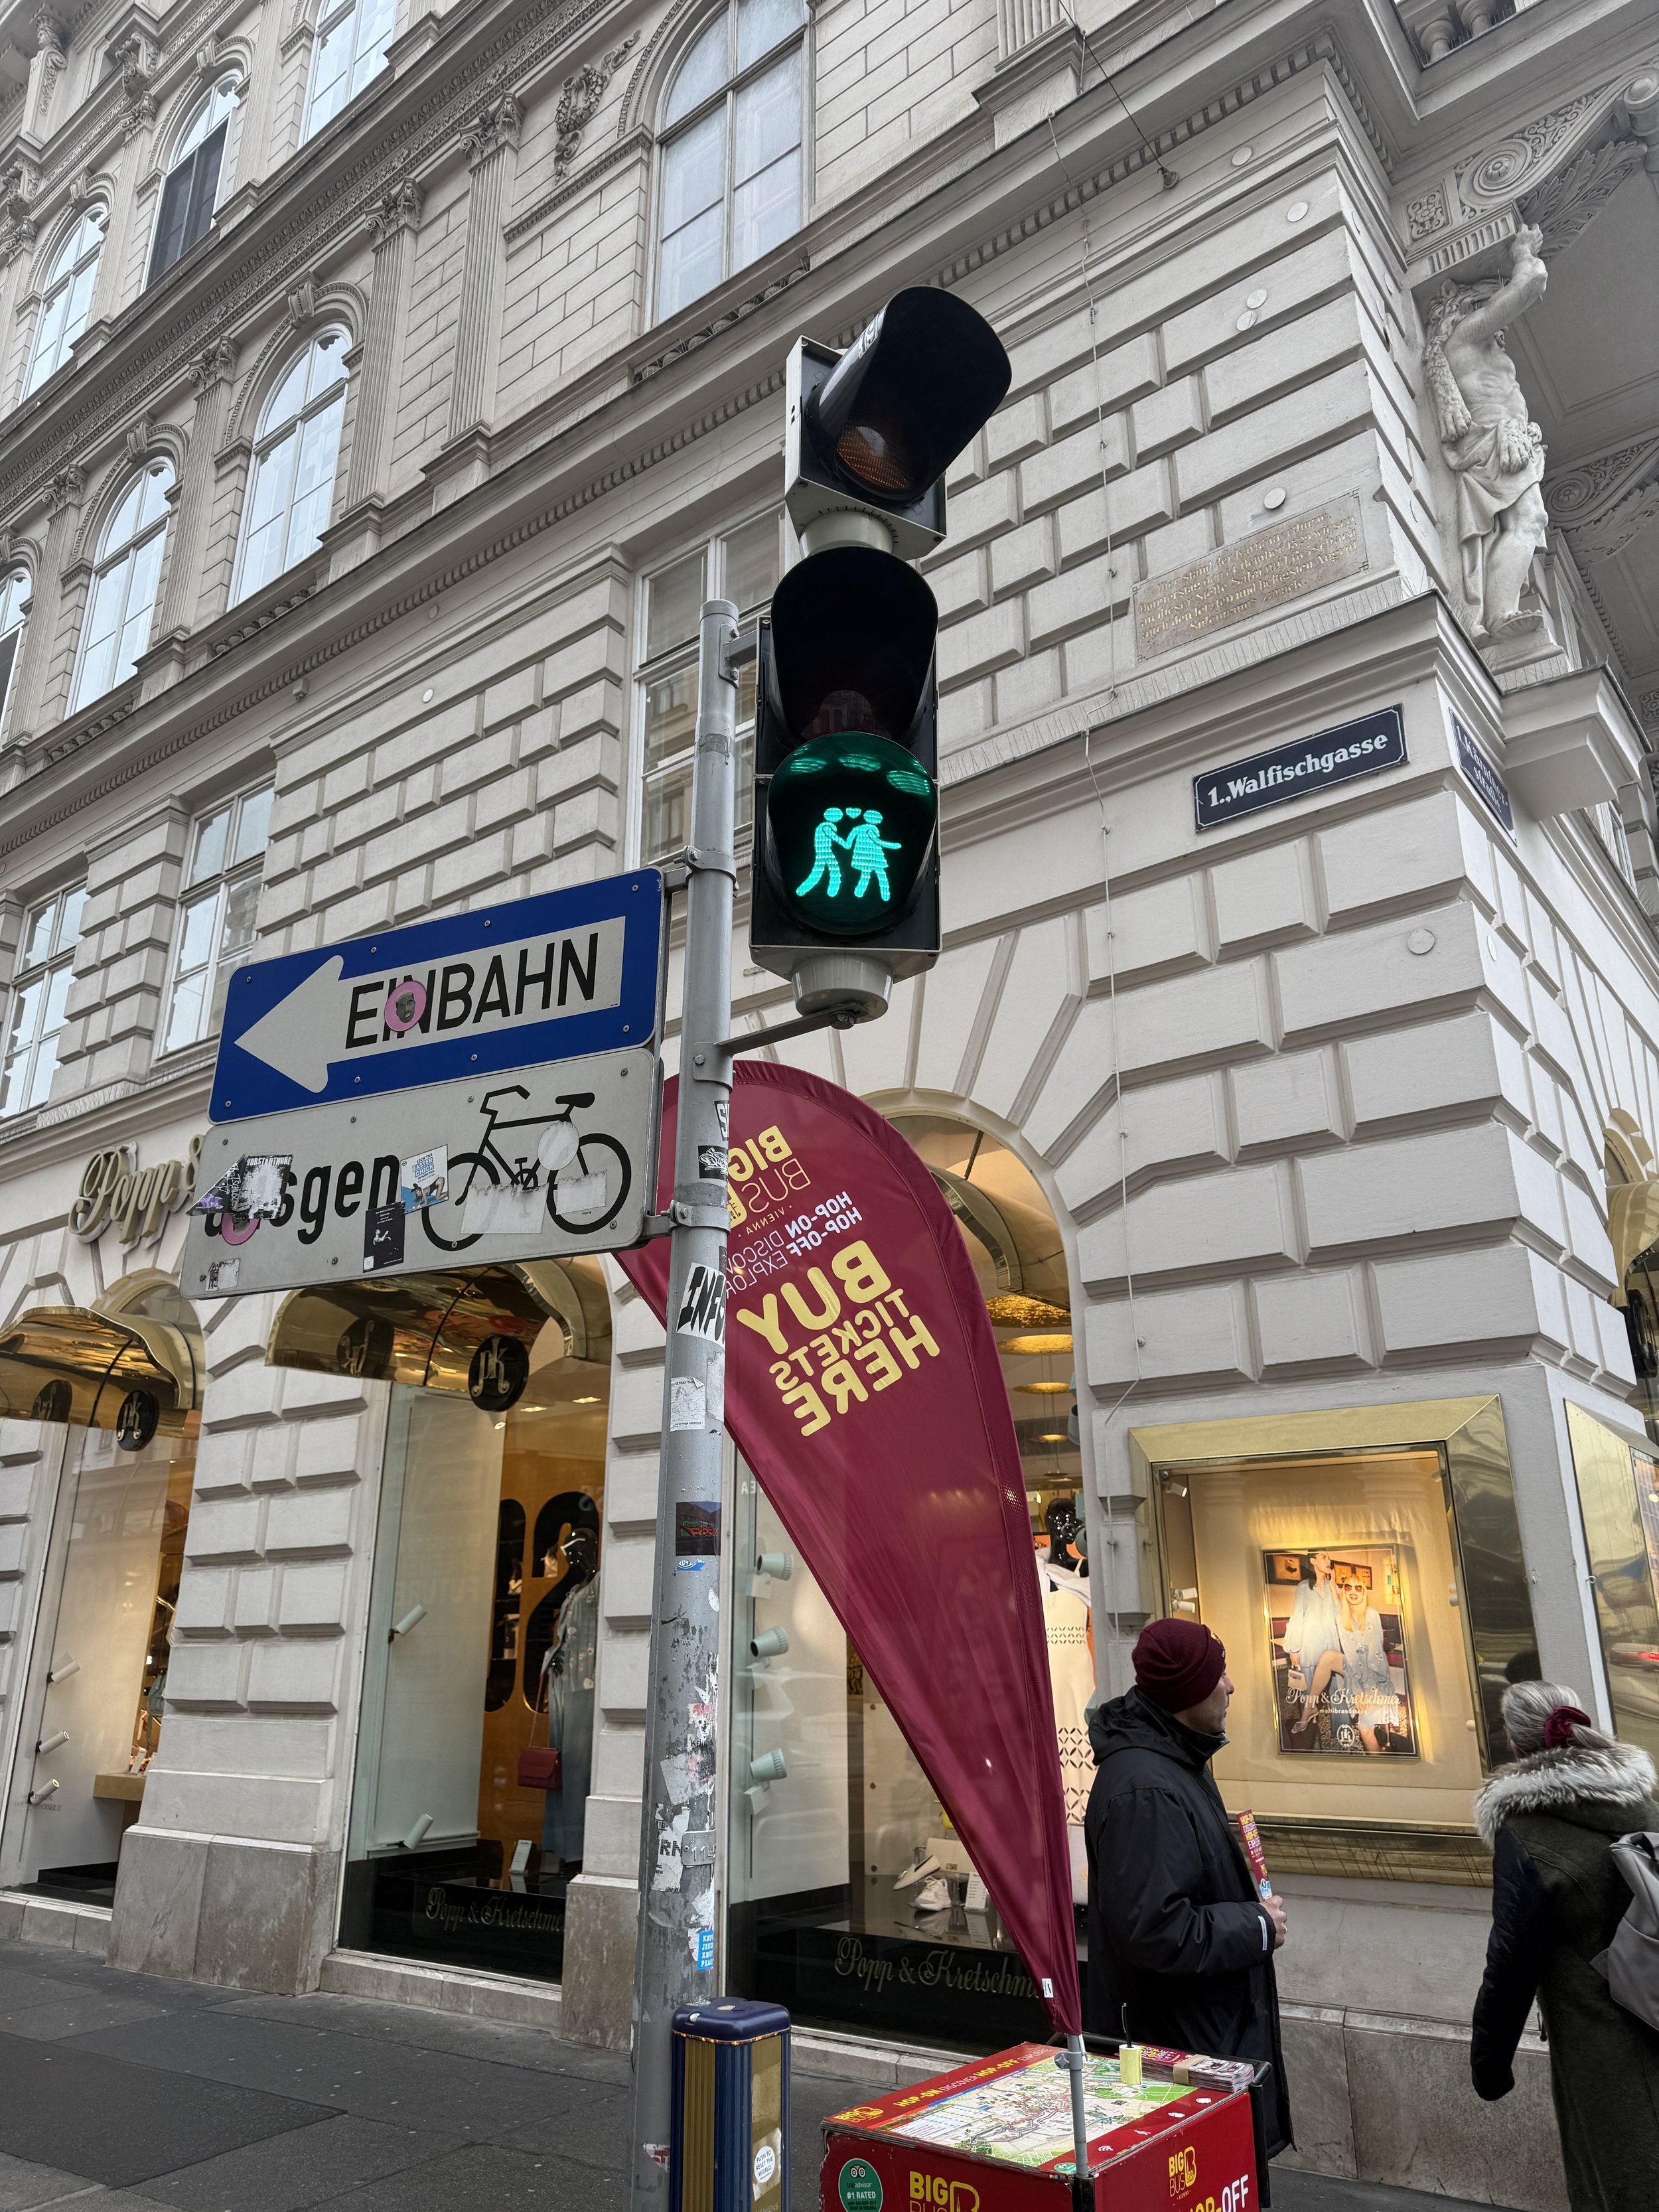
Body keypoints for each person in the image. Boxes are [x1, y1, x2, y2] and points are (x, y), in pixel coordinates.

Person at [1086, 1616, 1293, 2157]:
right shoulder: (1148, 1788)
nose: (1230, 1686)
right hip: (1180, 2057)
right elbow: (1153, 1928)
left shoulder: (1174, 1761)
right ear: (1184, 1694)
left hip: (1199, 2043)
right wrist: (1256, 1925)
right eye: (1217, 1675)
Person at [1471, 1680, 1659, 2211]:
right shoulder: (1642, 1802)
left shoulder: (1526, 1832)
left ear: (1515, 1743)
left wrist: (1490, 2062)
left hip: (1601, 2043)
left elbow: (1511, 1957)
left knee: (1619, 2176)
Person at [1333, 1570, 1400, 1755]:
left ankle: (1380, 1773)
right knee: (1366, 1727)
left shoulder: (1371, 1614)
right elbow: (1349, 1655)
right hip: (1356, 1680)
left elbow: (1375, 1654)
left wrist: (1364, 1691)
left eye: (1358, 1588)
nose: (1353, 1591)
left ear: (1364, 1592)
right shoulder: (1341, 1618)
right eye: (1348, 1587)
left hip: (1374, 1680)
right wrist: (1357, 1690)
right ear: (1344, 1591)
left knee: (1365, 1729)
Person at [1281, 1551, 1343, 1739]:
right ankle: (1308, 1727)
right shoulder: (1303, 1588)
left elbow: (1340, 1618)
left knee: (1339, 1691)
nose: (1329, 1560)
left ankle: (1340, 1732)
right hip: (1310, 1646)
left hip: (1332, 1646)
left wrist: (1333, 1588)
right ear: (1313, 1561)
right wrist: (1294, 1648)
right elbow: (1297, 1617)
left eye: (1329, 1558)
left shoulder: (1334, 1588)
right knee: (1308, 1691)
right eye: (1324, 1557)